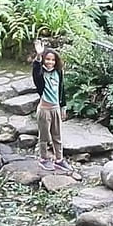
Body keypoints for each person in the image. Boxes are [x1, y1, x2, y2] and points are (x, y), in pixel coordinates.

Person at [32, 39, 72, 171]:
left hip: (55, 108)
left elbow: (62, 89)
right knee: (44, 136)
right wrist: (39, 55)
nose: (50, 62)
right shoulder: (41, 74)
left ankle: (59, 159)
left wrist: (63, 107)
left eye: (52, 60)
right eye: (47, 59)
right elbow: (36, 72)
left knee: (57, 135)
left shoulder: (58, 72)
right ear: (44, 60)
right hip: (44, 109)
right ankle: (43, 159)